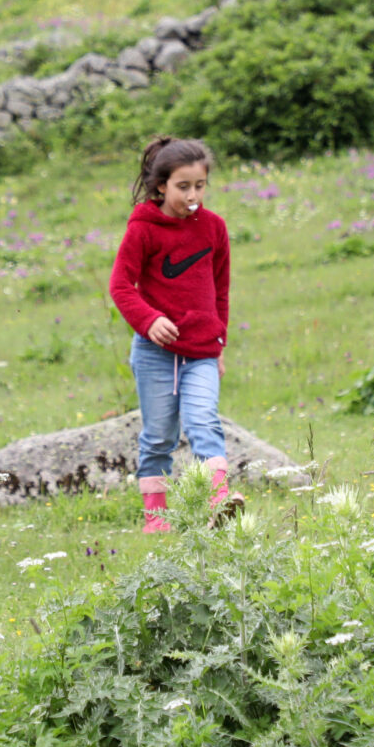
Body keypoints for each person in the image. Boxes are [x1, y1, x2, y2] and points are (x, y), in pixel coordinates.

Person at [107, 135, 240, 534]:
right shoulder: (143, 231)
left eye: (200, 185)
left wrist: (220, 344)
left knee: (204, 422)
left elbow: (220, 290)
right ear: (161, 185)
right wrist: (148, 320)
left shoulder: (214, 228)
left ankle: (221, 503)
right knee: (159, 437)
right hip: (154, 353)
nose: (193, 194)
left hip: (201, 350)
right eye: (183, 186)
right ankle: (157, 520)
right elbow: (120, 286)